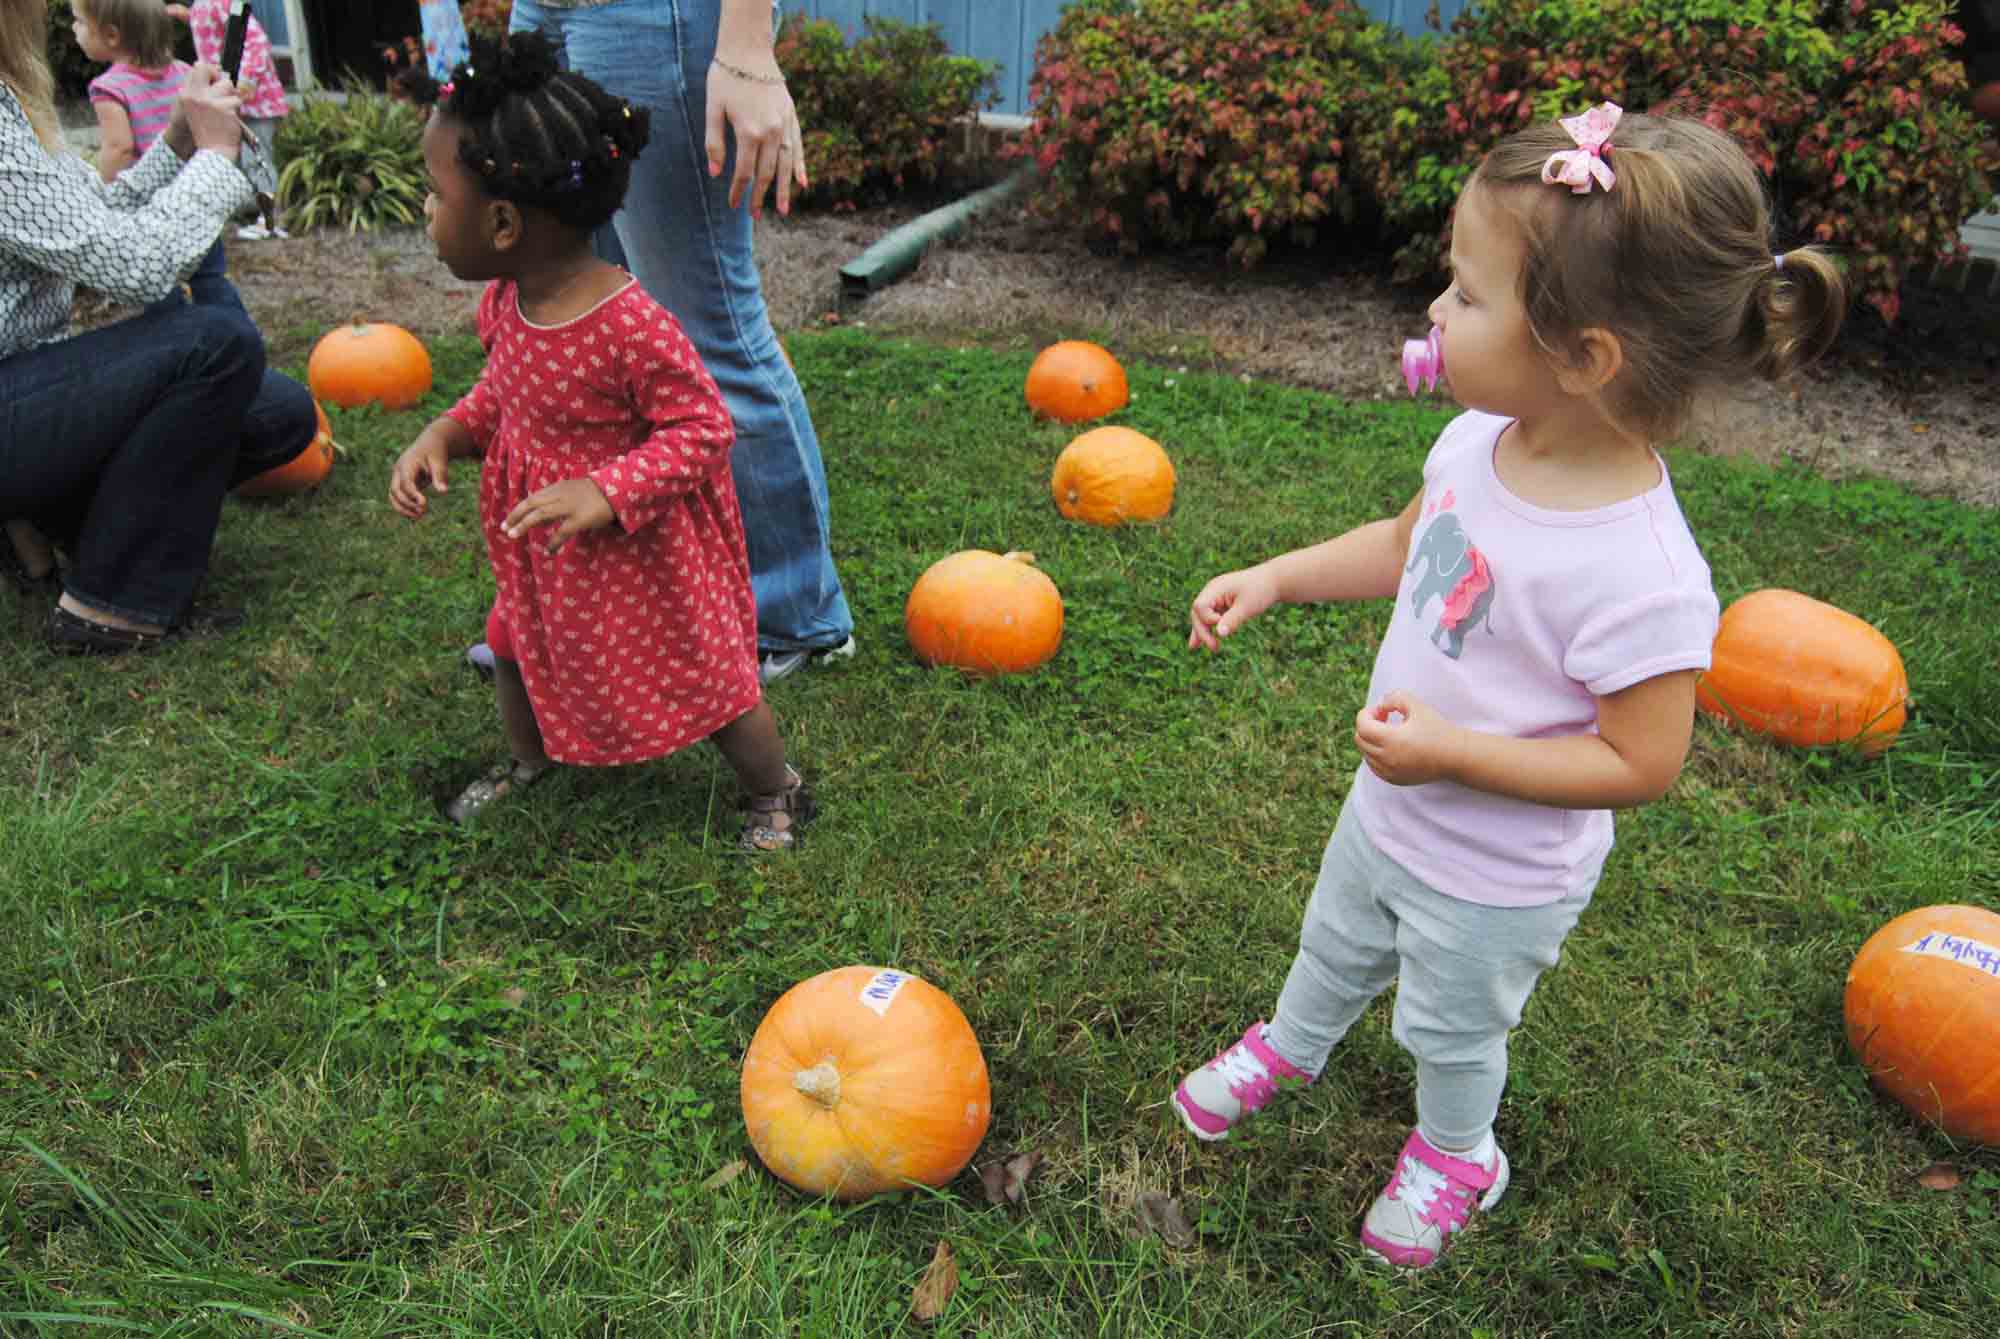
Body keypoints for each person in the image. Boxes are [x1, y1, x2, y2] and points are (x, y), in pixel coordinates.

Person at [1170, 105, 1847, 1270]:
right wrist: (1276, 577)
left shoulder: (1640, 575)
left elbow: (1641, 762)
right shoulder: (1478, 441)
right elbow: (1404, 544)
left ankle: (1456, 1150)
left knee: (1449, 1023)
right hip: (1390, 807)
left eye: (1466, 296)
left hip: (1497, 876)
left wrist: (1455, 755)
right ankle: (1293, 1040)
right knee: (1331, 940)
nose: (1434, 313)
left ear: (1582, 357)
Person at [388, 32, 816, 850]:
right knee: (513, 642)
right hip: (549, 555)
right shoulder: (508, 303)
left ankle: (774, 789)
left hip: (644, 555)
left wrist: (607, 490)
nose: (428, 216)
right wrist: (448, 430)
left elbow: (703, 429)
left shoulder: (629, 326)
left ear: (504, 221)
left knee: (712, 682)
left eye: (435, 196)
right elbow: (505, 395)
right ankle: (530, 758)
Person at [499, 0, 855, 686]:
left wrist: (747, 46)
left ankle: (795, 615)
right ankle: (633, 588)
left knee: (706, 328)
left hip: (648, 16)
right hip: (544, 11)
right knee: (582, 308)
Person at [0, 0, 317, 653]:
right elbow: (138, 268)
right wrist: (216, 158)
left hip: (29, 383)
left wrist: (177, 140)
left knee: (279, 411)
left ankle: (78, 521)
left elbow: (98, 216)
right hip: (13, 397)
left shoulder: (11, 102)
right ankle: (111, 606)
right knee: (215, 345)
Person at [167, 0, 291, 238]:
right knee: (238, 162)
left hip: (254, 103)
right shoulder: (206, 4)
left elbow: (256, 41)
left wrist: (245, 82)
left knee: (257, 160)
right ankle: (252, 212)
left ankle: (272, 220)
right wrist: (188, 15)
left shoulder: (225, 3)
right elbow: (216, 30)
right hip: (231, 102)